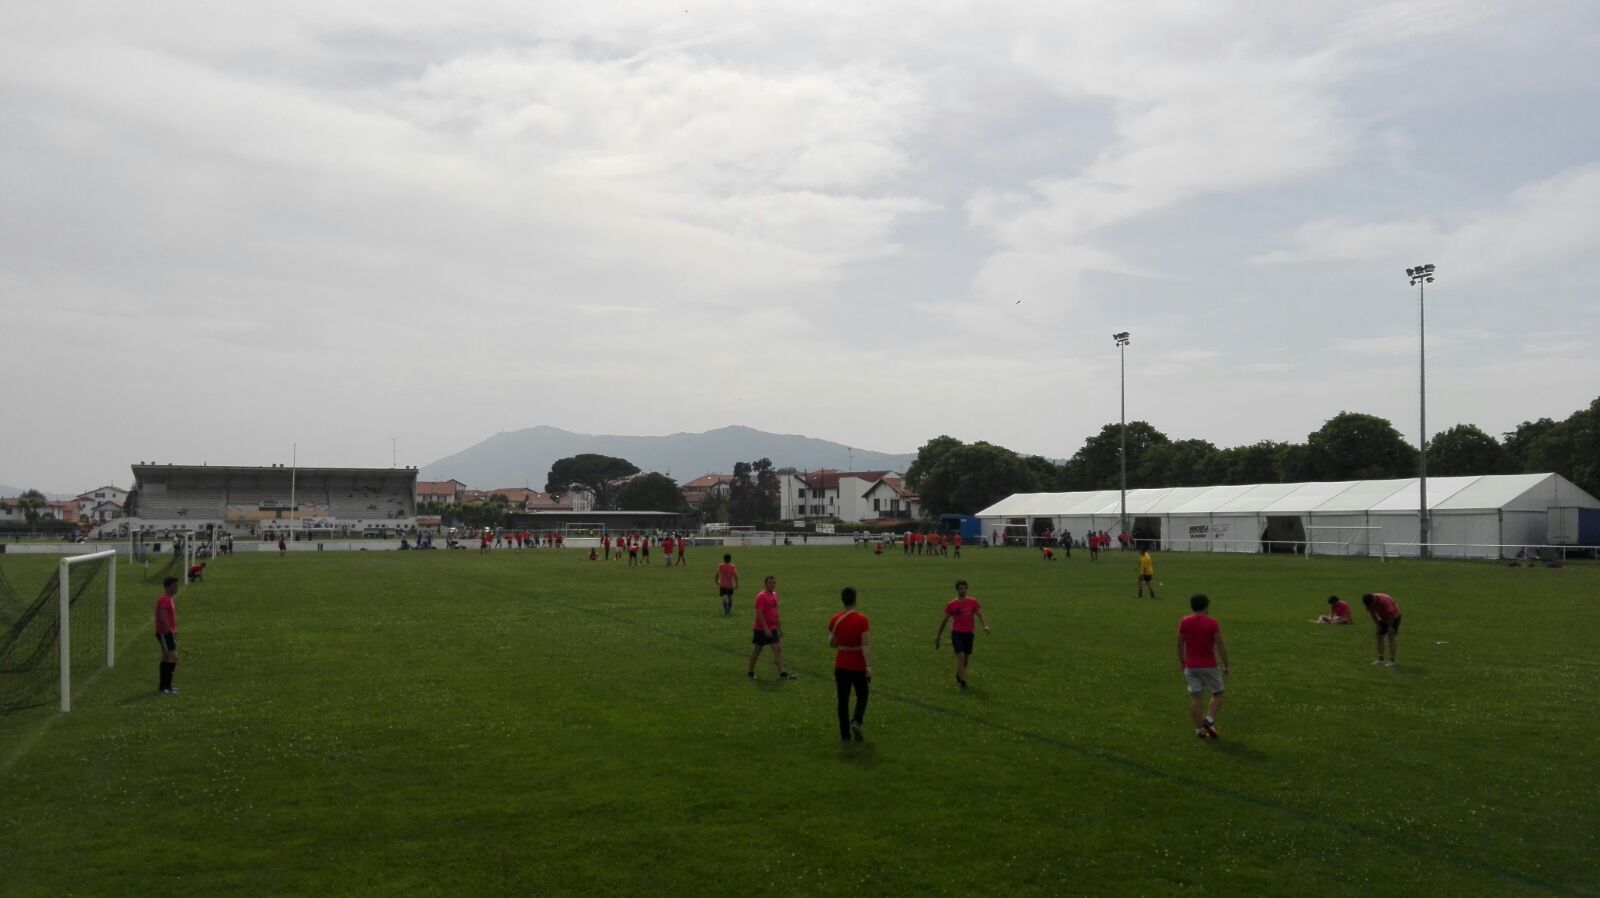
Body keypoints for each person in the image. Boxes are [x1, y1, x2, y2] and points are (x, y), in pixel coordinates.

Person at [1178, 593, 1229, 739]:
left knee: (1196, 698)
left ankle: (1199, 730)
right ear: (1206, 606)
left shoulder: (1185, 621)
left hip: (1191, 666)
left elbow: (1179, 643)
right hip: (1209, 665)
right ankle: (1209, 720)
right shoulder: (1212, 623)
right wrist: (1226, 664)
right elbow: (1220, 645)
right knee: (1217, 693)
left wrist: (1182, 661)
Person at [828, 586, 871, 742]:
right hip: (858, 664)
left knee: (843, 700)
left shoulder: (835, 619)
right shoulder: (862, 619)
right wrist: (868, 666)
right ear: (855, 600)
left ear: (843, 600)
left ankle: (844, 734)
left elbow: (832, 644)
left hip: (841, 665)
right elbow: (865, 644)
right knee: (863, 694)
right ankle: (857, 720)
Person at [934, 579, 990, 688]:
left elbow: (980, 614)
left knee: (966, 658)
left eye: (964, 588)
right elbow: (944, 621)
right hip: (957, 633)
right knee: (961, 656)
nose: (963, 590)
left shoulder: (973, 602)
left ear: (967, 589)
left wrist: (985, 626)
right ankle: (962, 680)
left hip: (969, 634)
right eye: (960, 588)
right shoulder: (952, 604)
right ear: (957, 590)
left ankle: (959, 675)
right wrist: (939, 636)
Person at [748, 576, 796, 680]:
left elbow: (775, 613)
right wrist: (765, 628)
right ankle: (750, 671)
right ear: (765, 584)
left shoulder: (775, 595)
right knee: (757, 650)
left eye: (773, 583)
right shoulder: (761, 596)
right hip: (761, 629)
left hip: (773, 627)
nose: (772, 584)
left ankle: (782, 673)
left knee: (777, 649)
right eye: (770, 582)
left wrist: (779, 628)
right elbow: (759, 614)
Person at [155, 576, 180, 695]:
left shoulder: (168, 599)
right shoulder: (164, 600)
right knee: (172, 657)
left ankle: (165, 686)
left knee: (166, 657)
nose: (176, 588)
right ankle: (166, 687)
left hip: (168, 632)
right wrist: (169, 631)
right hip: (165, 633)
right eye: (174, 586)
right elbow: (163, 618)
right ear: (168, 587)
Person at [1362, 592, 1402, 666]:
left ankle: (1392, 660)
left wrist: (1390, 627)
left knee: (1391, 637)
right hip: (1383, 618)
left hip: (1394, 617)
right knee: (1379, 636)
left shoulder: (1384, 601)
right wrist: (1378, 626)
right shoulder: (1369, 602)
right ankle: (1380, 659)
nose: (1371, 606)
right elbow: (1373, 614)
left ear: (1374, 599)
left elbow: (1391, 614)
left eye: (1372, 604)